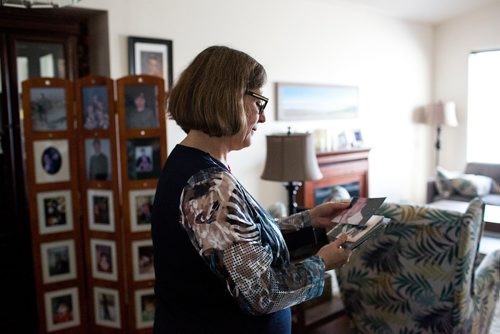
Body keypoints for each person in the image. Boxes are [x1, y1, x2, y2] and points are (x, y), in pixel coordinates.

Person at [151, 45, 352, 334]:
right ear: (229, 97)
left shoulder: (195, 167)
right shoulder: (208, 185)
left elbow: (239, 243)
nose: (263, 117)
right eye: (259, 101)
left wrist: (310, 221)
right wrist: (322, 264)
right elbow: (263, 293)